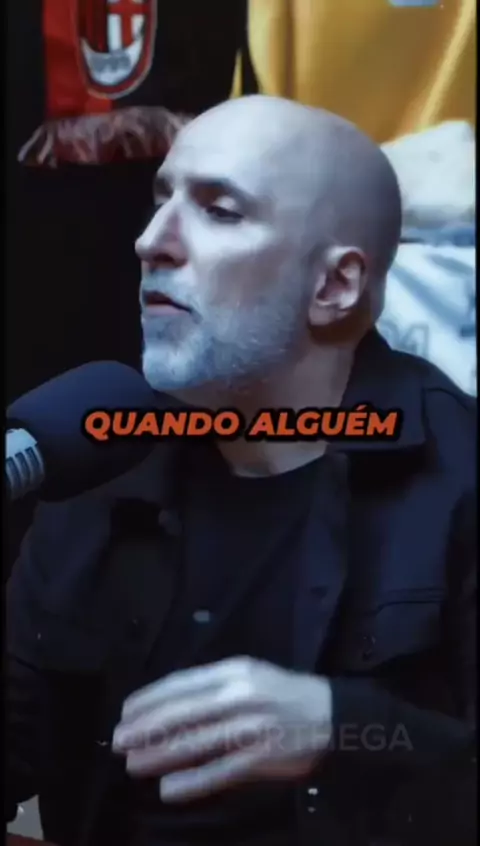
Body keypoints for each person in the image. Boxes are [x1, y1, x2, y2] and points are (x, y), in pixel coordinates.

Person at [6, 96, 476, 846]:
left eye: (219, 211)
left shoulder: (459, 481)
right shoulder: (98, 459)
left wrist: (346, 733)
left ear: (334, 287)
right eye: (160, 200)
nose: (150, 242)